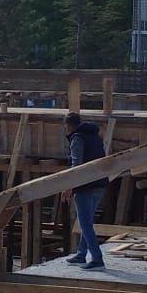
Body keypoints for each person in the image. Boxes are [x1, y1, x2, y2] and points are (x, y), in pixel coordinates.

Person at [63, 112, 107, 269]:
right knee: (87, 221)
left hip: (85, 185)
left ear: (68, 126)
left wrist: (69, 187)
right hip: (100, 183)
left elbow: (77, 166)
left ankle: (97, 258)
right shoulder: (95, 136)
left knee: (84, 223)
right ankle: (81, 254)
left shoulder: (77, 139)